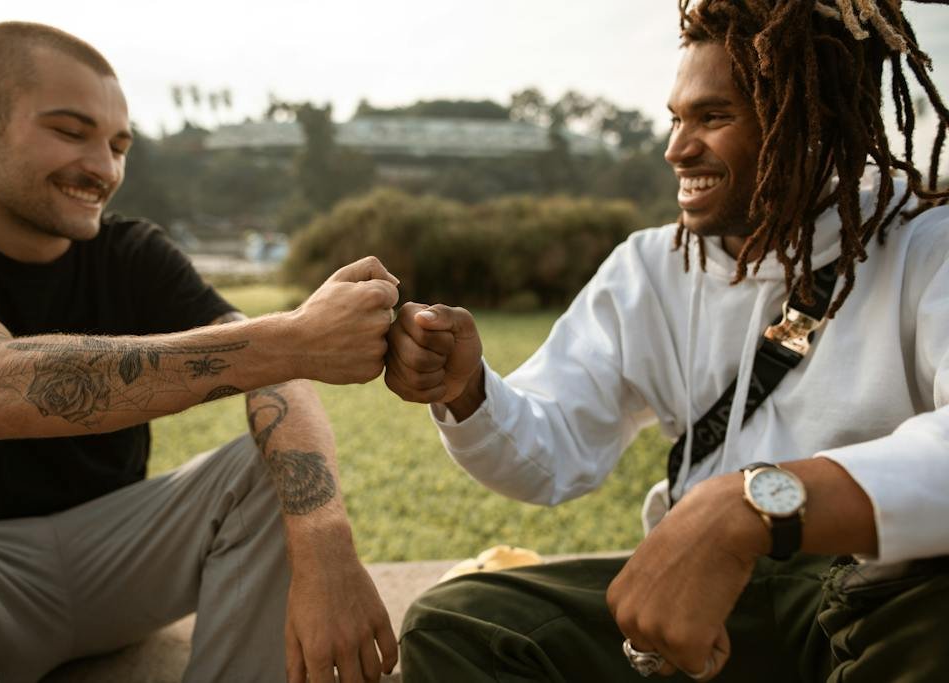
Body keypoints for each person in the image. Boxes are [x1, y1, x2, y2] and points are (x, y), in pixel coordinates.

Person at [384, 1, 949, 681]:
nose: (676, 148)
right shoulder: (650, 266)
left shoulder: (925, 243)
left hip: (872, 590)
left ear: (809, 122)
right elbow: (556, 445)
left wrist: (750, 505)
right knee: (463, 623)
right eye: (677, 117)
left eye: (712, 118)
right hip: (702, 609)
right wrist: (468, 390)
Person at [0, 21, 399, 683]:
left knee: (274, 466)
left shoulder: (133, 251)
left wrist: (326, 539)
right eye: (69, 131)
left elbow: (282, 380)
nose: (104, 168)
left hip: (115, 562)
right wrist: (293, 336)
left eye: (118, 144)